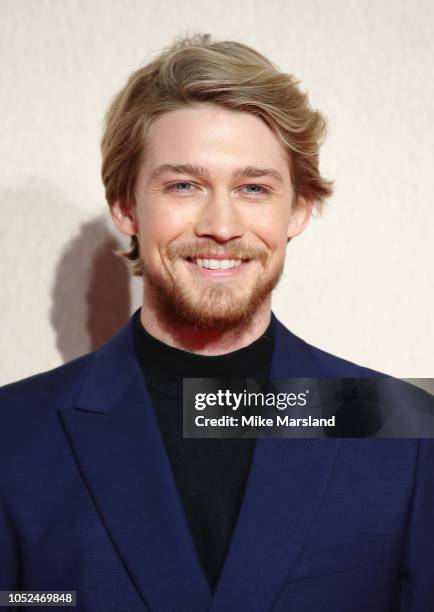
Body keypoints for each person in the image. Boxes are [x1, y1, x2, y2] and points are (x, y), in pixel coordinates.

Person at [0, 33, 433, 612]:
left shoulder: (403, 430)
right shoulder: (13, 436)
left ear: (297, 210)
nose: (222, 226)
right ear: (126, 206)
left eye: (253, 188)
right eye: (184, 185)